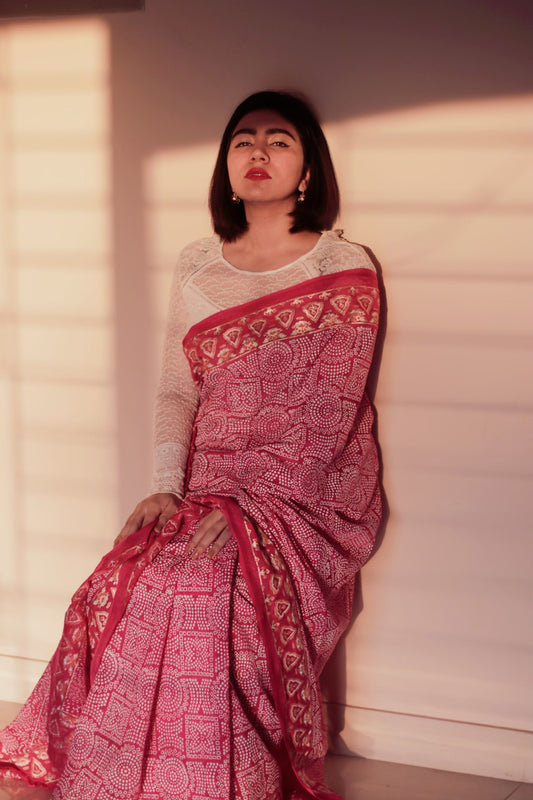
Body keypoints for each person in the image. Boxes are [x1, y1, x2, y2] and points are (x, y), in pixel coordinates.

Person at [0, 91, 382, 800]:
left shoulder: (340, 266)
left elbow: (333, 413)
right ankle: (121, 772)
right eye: (243, 140)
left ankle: (208, 779)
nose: (258, 153)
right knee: (130, 579)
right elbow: (179, 390)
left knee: (201, 588)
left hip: (299, 498)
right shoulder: (199, 265)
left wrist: (255, 513)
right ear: (225, 165)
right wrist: (165, 485)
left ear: (306, 172)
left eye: (278, 141)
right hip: (208, 484)